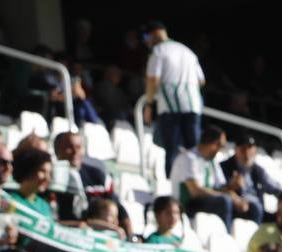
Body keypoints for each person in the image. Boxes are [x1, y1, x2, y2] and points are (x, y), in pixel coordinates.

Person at [6, 146, 73, 252]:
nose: (47, 178)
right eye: (43, 171)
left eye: (50, 173)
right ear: (28, 170)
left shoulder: (44, 205)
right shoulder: (11, 200)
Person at [142, 21, 205, 174]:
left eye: (146, 37)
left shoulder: (158, 51)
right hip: (193, 105)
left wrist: (149, 104)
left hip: (171, 107)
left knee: (172, 150)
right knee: (194, 151)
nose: (146, 41)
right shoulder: (188, 52)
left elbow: (152, 80)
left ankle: (173, 188)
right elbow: (201, 81)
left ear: (154, 33)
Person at [171, 126, 248, 234]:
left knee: (251, 207)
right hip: (187, 204)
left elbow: (220, 187)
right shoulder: (188, 158)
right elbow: (195, 191)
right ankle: (225, 237)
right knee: (224, 201)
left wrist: (232, 188)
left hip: (204, 201)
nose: (221, 150)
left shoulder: (212, 162)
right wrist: (227, 195)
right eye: (221, 146)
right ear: (213, 144)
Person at [53, 130, 131, 236]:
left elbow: (119, 210)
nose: (75, 152)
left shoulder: (98, 176)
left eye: (78, 147)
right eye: (69, 148)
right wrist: (78, 225)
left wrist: (131, 237)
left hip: (100, 238)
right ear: (57, 151)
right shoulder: (50, 179)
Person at [222, 134, 281, 228]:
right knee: (256, 208)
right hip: (238, 208)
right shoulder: (224, 167)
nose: (246, 152)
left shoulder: (258, 170)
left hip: (258, 210)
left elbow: (275, 188)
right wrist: (231, 187)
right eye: (243, 148)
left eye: (250, 148)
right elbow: (218, 189)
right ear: (236, 150)